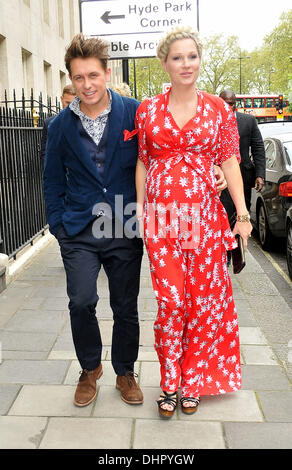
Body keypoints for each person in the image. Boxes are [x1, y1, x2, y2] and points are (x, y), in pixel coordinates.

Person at [135, 26, 252, 419]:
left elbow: (230, 161)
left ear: (199, 60)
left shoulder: (219, 110)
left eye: (192, 56)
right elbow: (143, 161)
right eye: (177, 57)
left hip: (205, 219)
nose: (186, 64)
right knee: (171, 302)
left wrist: (243, 214)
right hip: (162, 221)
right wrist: (138, 211)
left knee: (202, 304)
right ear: (164, 62)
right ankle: (169, 379)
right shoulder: (147, 109)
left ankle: (192, 380)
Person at [43, 33, 144, 408]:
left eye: (93, 76)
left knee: (125, 305)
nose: (86, 85)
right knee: (81, 301)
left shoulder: (134, 112)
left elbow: (163, 156)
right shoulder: (59, 126)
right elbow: (52, 179)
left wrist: (214, 170)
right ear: (71, 79)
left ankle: (124, 370)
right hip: (79, 229)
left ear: (107, 72)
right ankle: (89, 369)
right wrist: (59, 226)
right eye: (78, 78)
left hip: (124, 224)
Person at [219, 89, 265, 217]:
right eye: (225, 103)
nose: (228, 107)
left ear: (235, 104)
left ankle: (240, 237)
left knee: (242, 213)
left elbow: (258, 148)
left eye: (231, 104)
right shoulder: (212, 122)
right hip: (221, 178)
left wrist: (260, 175)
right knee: (224, 214)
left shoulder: (248, 121)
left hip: (243, 176)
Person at [39, 84, 76, 161]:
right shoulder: (49, 123)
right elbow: (45, 153)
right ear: (62, 99)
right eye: (68, 103)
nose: (71, 107)